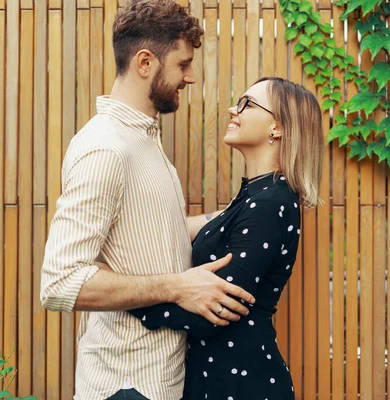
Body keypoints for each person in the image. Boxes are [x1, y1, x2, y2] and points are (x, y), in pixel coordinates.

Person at [39, 1, 254, 399]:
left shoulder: (142, 140)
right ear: (145, 63)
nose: (190, 77)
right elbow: (60, 282)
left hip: (158, 382)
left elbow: (155, 232)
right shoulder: (106, 148)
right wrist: (177, 288)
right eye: (183, 64)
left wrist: (241, 213)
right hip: (126, 386)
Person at [128, 77, 324, 399]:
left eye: (247, 104)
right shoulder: (253, 198)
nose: (233, 110)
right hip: (219, 377)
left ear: (278, 128)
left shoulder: (270, 202)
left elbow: (218, 310)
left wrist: (126, 300)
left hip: (241, 384)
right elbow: (182, 227)